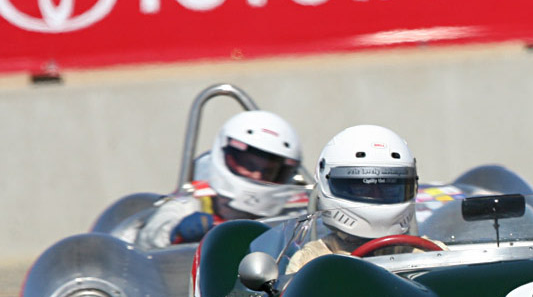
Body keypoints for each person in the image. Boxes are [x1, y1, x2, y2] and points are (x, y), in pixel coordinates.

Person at [136, 110, 305, 249]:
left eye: (269, 171)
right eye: (249, 164)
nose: (257, 175)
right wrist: (177, 233)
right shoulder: (190, 204)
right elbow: (146, 243)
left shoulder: (293, 211)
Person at [286, 124, 418, 273]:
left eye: (389, 187)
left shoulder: (426, 252)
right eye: (362, 187)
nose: (375, 195)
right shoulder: (312, 260)